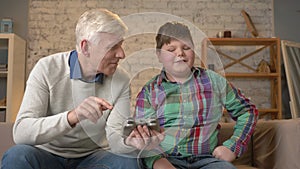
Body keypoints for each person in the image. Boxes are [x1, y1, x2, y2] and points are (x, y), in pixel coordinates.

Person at [1, 9, 139, 169]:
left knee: (129, 160)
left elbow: (115, 139)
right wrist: (72, 116)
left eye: (120, 45)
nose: (121, 54)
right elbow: (21, 133)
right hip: (47, 155)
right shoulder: (47, 68)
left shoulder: (121, 79)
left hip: (93, 158)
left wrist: (131, 142)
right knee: (17, 155)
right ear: (85, 47)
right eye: (112, 47)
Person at [133, 22, 259, 169]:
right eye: (171, 49)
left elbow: (248, 111)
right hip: (166, 160)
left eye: (186, 48)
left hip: (207, 160)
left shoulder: (214, 81)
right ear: (159, 55)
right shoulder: (149, 91)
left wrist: (233, 146)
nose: (180, 53)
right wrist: (157, 162)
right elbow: (143, 137)